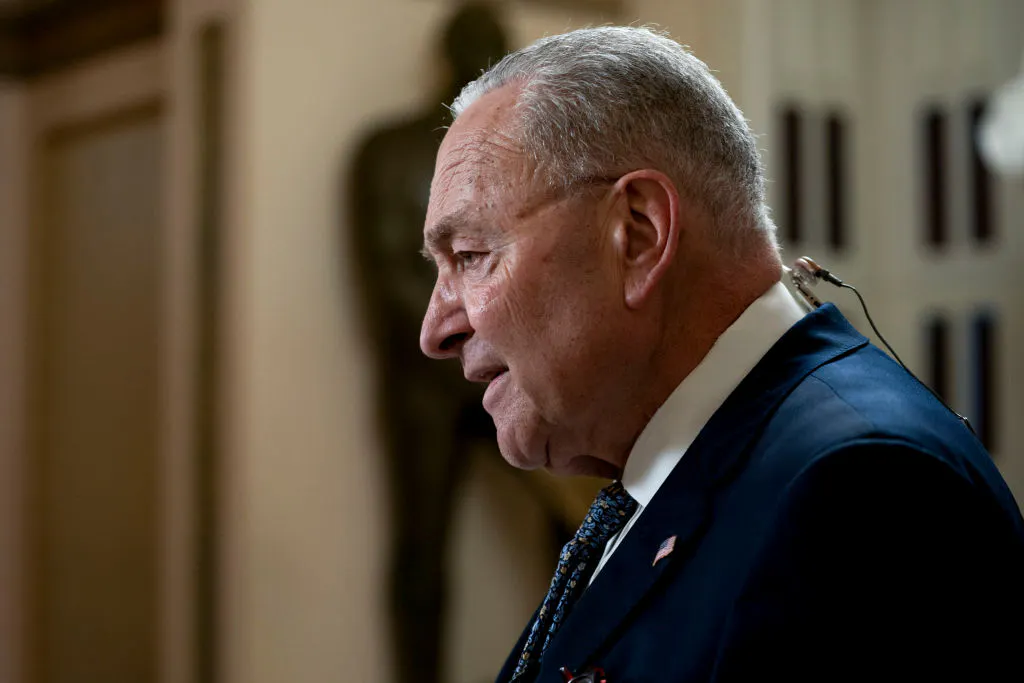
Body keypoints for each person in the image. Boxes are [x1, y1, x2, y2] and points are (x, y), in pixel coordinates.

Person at [418, 26, 1024, 683]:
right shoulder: (689, 470)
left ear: (639, 234)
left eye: (470, 256)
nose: (435, 329)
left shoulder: (860, 491)